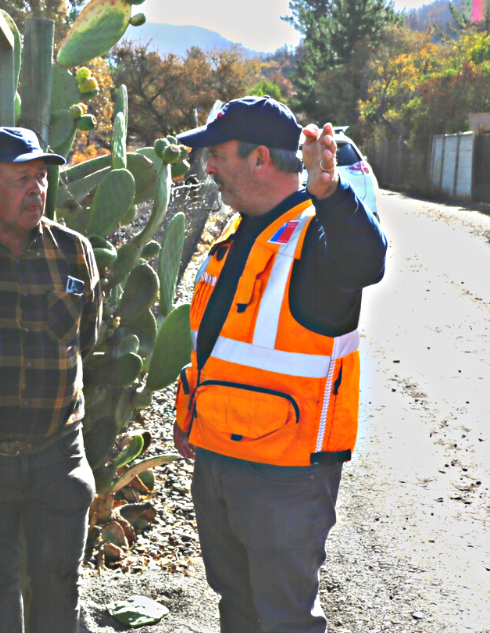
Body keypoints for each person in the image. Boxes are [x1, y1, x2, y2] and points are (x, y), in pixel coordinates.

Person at [172, 96, 387, 632]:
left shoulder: (315, 233)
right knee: (238, 609)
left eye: (217, 154)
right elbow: (215, 347)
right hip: (218, 461)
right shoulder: (233, 234)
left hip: (285, 475)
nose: (209, 167)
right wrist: (188, 413)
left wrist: (331, 193)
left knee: (285, 620)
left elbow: (367, 261)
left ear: (260, 158)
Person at [0, 126, 102, 632]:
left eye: (41, 178)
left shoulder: (73, 252)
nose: (37, 189)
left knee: (59, 591)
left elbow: (88, 338)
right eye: (20, 179)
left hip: (59, 457)